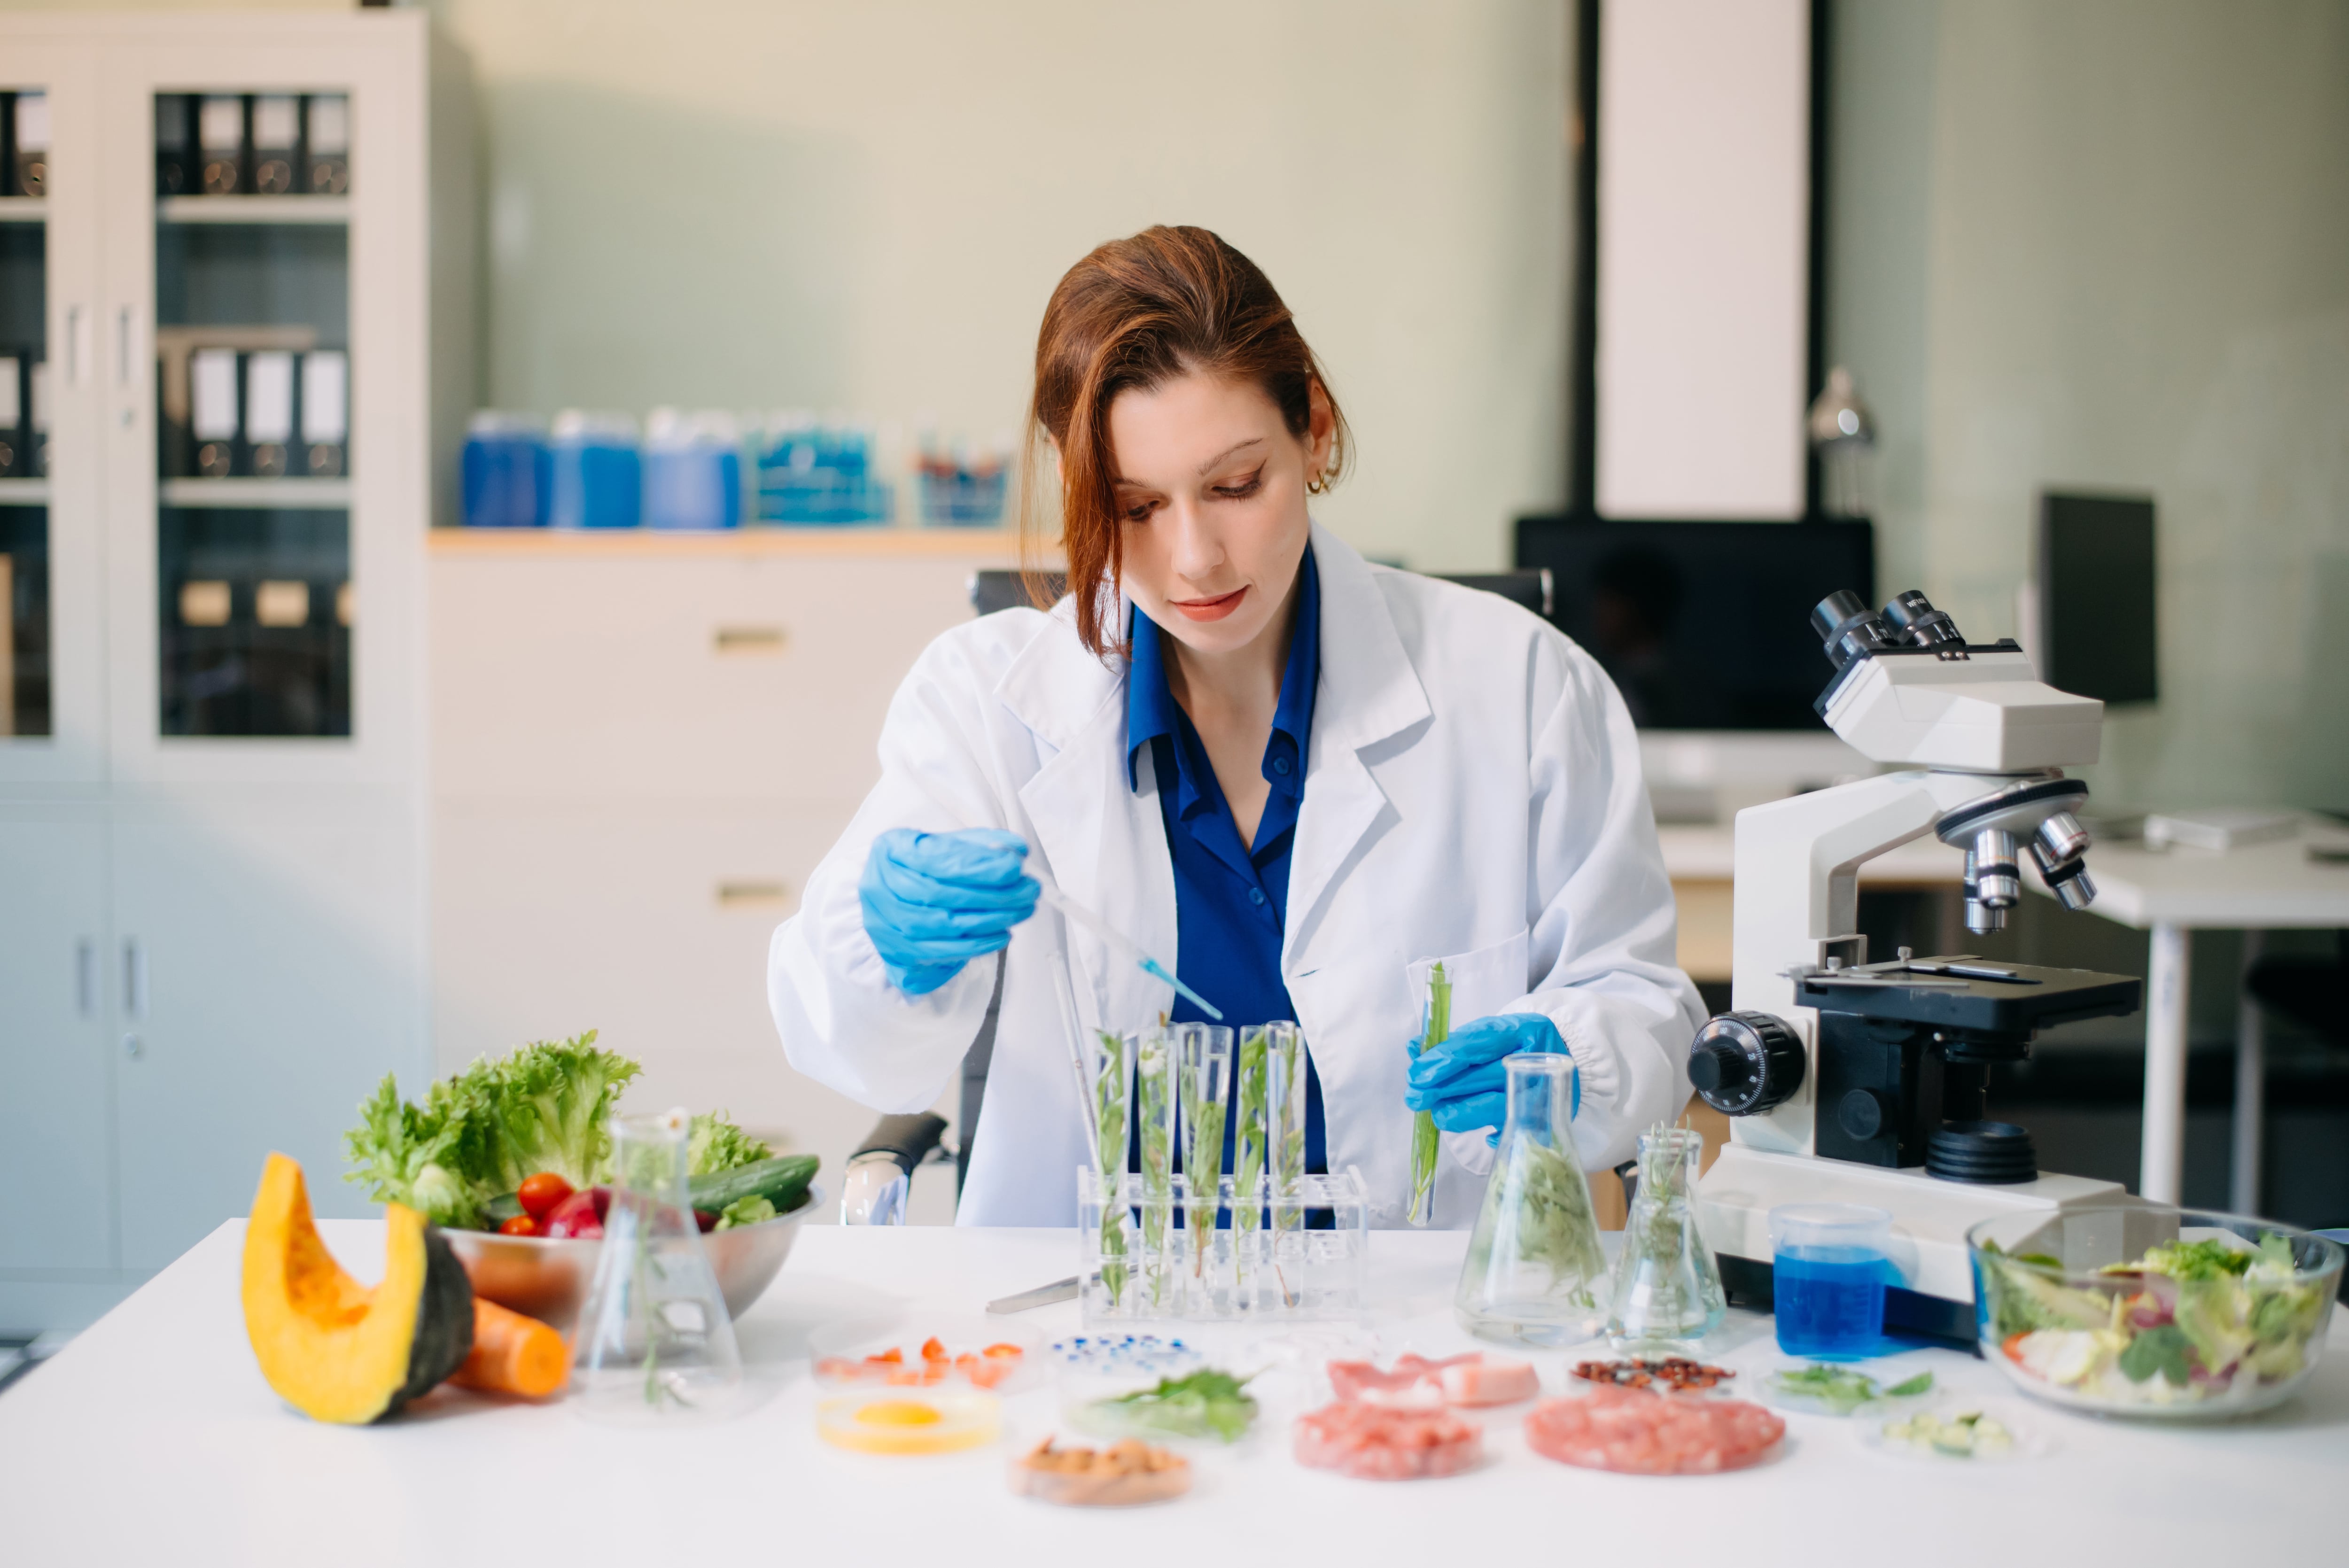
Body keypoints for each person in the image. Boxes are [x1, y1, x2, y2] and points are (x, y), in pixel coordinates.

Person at [769, 225, 1702, 1226]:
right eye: (1132, 505)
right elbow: (856, 1043)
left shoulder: (1520, 686)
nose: (1196, 558)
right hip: (1086, 1321)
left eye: (1235, 485)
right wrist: (887, 947)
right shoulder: (981, 704)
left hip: (1414, 1328)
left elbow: (1639, 1000)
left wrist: (1575, 1062)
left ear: (1314, 429)